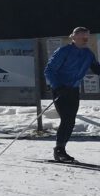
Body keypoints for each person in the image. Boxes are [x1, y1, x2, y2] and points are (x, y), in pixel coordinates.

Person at [43, 26, 100, 163]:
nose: (85, 39)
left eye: (87, 37)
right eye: (82, 36)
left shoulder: (88, 54)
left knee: (70, 121)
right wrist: (57, 86)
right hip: (61, 90)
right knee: (67, 119)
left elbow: (96, 68)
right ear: (74, 37)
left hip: (73, 90)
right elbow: (49, 70)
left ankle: (60, 149)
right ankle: (59, 150)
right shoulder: (64, 51)